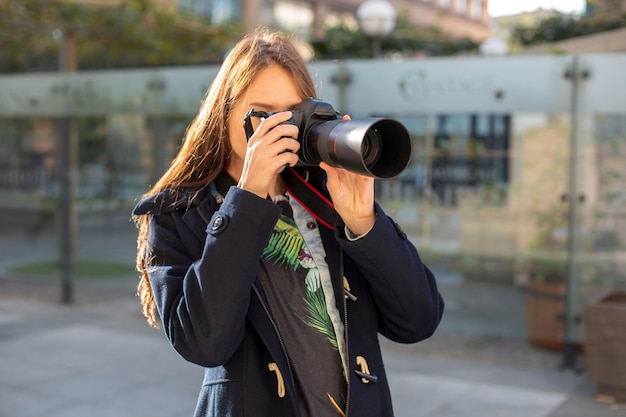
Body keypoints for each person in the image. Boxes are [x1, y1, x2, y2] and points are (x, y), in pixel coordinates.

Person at [132, 27, 444, 417]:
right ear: (222, 114)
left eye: (292, 116)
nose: (280, 132)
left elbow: (419, 320)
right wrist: (246, 201)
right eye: (263, 116)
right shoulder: (178, 213)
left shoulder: (327, 199)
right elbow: (203, 344)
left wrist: (364, 223)